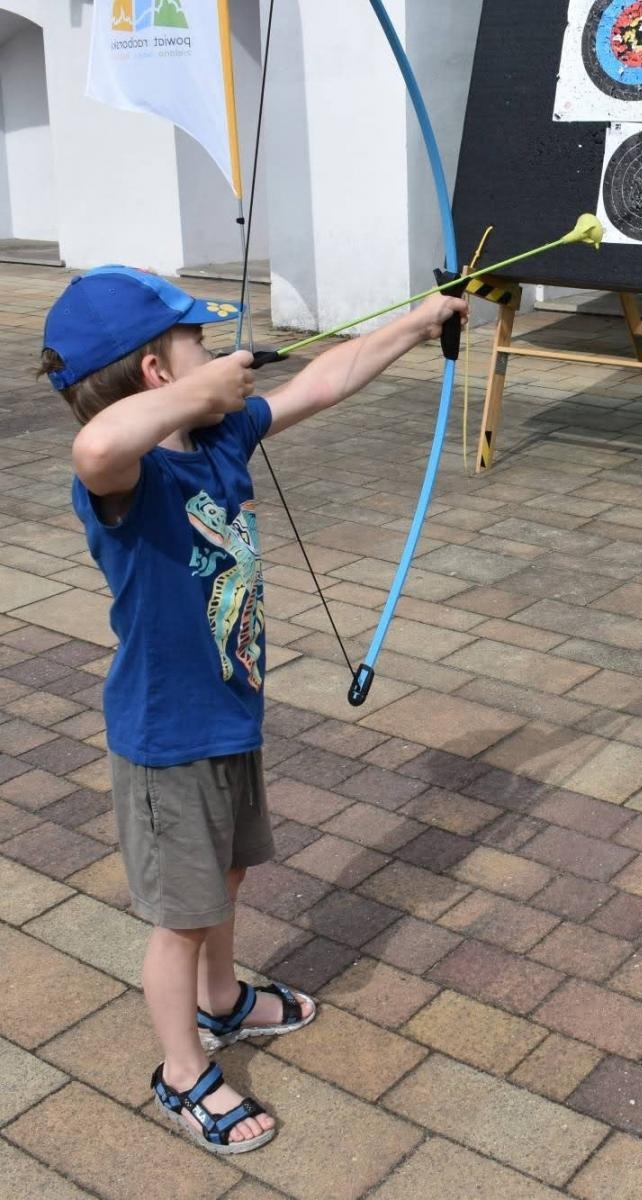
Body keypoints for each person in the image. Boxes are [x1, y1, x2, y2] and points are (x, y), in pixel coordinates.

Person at [39, 266, 467, 1154]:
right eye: (197, 341)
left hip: (230, 717)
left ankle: (222, 1001)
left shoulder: (220, 436)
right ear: (159, 372)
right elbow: (92, 445)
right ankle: (182, 1070)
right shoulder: (128, 479)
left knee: (227, 878)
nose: (224, 351)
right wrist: (201, 388)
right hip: (167, 737)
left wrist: (421, 323)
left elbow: (325, 378)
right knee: (180, 914)